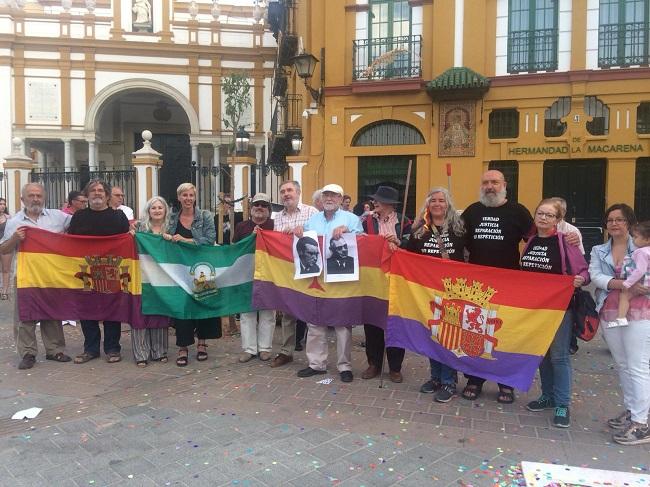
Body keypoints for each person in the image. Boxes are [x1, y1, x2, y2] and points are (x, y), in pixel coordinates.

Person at [460, 170, 534, 404]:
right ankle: (474, 379)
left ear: (504, 185)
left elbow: (536, 239)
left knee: (505, 335)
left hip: (508, 284)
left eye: (494, 182)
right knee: (474, 332)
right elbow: (457, 239)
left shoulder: (518, 211)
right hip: (477, 286)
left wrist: (566, 237)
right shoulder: (472, 211)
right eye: (486, 183)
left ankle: (506, 382)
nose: (490, 186)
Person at [522, 199, 589, 428]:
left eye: (549, 215)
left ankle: (562, 404)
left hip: (560, 309)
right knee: (542, 354)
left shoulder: (565, 242)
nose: (543, 218)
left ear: (558, 220)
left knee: (559, 356)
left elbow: (583, 271)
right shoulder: (530, 241)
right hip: (536, 309)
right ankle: (547, 396)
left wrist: (581, 279)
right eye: (540, 213)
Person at [590, 204, 650, 445]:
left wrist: (636, 287)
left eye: (620, 220)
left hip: (641, 310)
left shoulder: (644, 247)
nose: (615, 224)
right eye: (610, 220)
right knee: (623, 364)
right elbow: (595, 276)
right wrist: (622, 284)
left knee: (638, 365)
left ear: (630, 222)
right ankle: (632, 410)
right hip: (610, 309)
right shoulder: (598, 250)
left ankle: (642, 423)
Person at [295, 183, 363, 382]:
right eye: (326, 195)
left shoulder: (351, 219)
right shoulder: (313, 219)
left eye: (334, 196)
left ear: (341, 200)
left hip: (341, 279)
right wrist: (298, 230)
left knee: (342, 323)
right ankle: (316, 364)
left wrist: (350, 230)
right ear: (321, 199)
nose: (329, 199)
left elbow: (364, 242)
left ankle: (344, 366)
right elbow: (304, 239)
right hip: (317, 278)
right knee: (315, 321)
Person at [0, 183, 72, 369]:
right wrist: (15, 239)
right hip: (25, 276)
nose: (35, 199)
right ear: (23, 199)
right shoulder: (14, 222)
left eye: (39, 195)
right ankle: (28, 353)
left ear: (44, 197)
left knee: (52, 313)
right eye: (31, 195)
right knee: (25, 315)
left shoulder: (58, 217)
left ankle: (54, 350)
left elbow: (80, 226)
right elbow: (4, 249)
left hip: (51, 274)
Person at [406, 187, 466, 402]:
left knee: (449, 337)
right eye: (433, 201)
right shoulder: (419, 230)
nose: (437, 204)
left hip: (453, 292)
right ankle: (435, 377)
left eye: (441, 200)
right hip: (427, 292)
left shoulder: (459, 229)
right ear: (428, 205)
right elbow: (408, 258)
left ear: (447, 203)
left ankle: (449, 381)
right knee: (432, 335)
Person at [69, 179, 130, 364]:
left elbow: (126, 242)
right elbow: (70, 242)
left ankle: (112, 348)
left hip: (111, 268)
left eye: (100, 190)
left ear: (107, 195)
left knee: (112, 308)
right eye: (93, 191)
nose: (97, 193)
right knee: (87, 309)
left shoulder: (118, 217)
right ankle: (91, 349)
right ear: (87, 196)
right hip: (86, 269)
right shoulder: (79, 217)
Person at [361, 185, 410, 383]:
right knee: (372, 321)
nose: (375, 203)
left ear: (390, 205)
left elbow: (412, 246)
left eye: (379, 200)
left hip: (396, 278)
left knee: (395, 322)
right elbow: (356, 239)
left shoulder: (405, 222)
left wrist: (399, 242)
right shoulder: (366, 221)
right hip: (372, 277)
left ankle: (395, 367)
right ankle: (374, 363)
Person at [168, 183, 218, 367]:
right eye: (184, 195)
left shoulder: (205, 216)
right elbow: (163, 236)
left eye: (191, 195)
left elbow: (210, 239)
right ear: (179, 197)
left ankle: (202, 342)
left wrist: (187, 240)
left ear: (195, 197)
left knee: (202, 303)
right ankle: (183, 346)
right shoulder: (173, 217)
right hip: (180, 270)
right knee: (183, 307)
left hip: (202, 267)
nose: (188, 198)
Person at [271, 180, 318, 368]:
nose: (286, 194)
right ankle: (286, 352)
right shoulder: (278, 217)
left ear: (298, 192)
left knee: (312, 313)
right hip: (287, 270)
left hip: (307, 269)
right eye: (282, 191)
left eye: (289, 190)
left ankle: (315, 359)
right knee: (288, 312)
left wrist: (303, 231)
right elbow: (275, 242)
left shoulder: (311, 212)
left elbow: (319, 236)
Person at [233, 193, 275, 363]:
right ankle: (249, 349)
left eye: (264, 205)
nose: (259, 207)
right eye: (256, 204)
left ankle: (265, 348)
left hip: (269, 274)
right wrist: (251, 236)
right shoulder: (241, 226)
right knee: (247, 312)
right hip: (246, 274)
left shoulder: (274, 225)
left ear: (269, 210)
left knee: (268, 312)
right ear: (251, 208)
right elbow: (234, 248)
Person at [131, 196, 173, 367]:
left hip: (162, 276)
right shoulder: (140, 228)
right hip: (142, 275)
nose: (157, 210)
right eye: (153, 208)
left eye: (160, 208)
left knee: (159, 312)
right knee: (140, 312)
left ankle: (159, 351)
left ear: (165, 211)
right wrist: (131, 236)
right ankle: (141, 353)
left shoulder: (170, 228)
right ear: (148, 211)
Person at [608, 221, 650, 329]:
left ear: (647, 239)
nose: (633, 240)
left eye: (636, 237)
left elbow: (640, 270)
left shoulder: (642, 252)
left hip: (642, 282)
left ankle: (621, 318)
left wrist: (628, 283)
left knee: (624, 295)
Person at [0, 197, 12, 299]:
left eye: (4, 204)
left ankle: (5, 291)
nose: (2, 206)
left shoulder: (9, 218)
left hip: (6, 245)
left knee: (6, 269)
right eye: (0, 204)